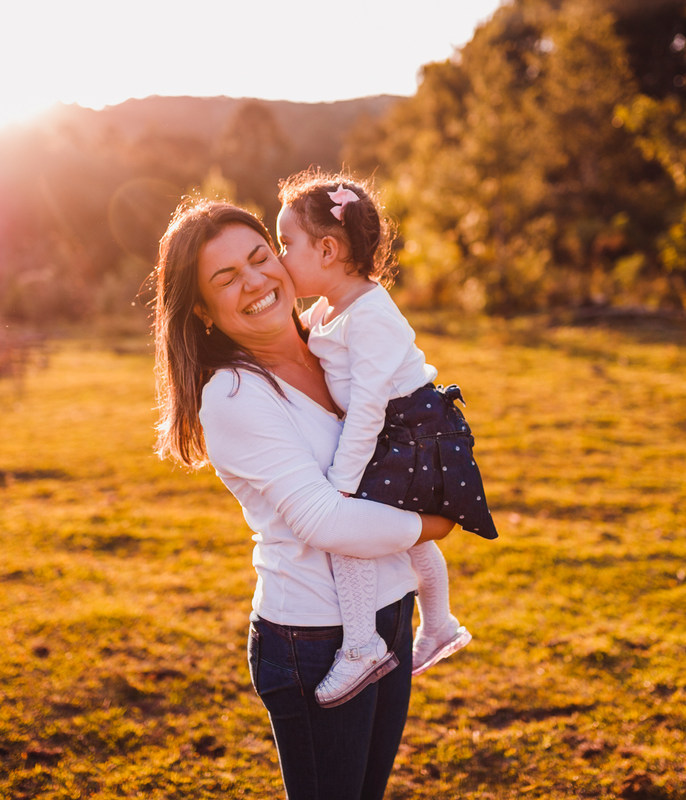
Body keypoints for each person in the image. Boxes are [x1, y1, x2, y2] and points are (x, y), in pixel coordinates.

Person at [152, 199, 455, 800]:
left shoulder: (332, 339)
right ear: (202, 310)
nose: (254, 281)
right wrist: (432, 525)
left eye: (259, 257)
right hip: (314, 638)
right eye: (226, 278)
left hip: (392, 612)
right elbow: (325, 520)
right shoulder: (234, 396)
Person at [274, 170, 498, 708]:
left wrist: (342, 482)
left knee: (350, 530)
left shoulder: (370, 315)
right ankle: (439, 625)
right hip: (397, 431)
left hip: (412, 431)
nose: (279, 258)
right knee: (410, 535)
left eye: (285, 244)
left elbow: (369, 406)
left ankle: (362, 646)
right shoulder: (329, 307)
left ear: (327, 250)